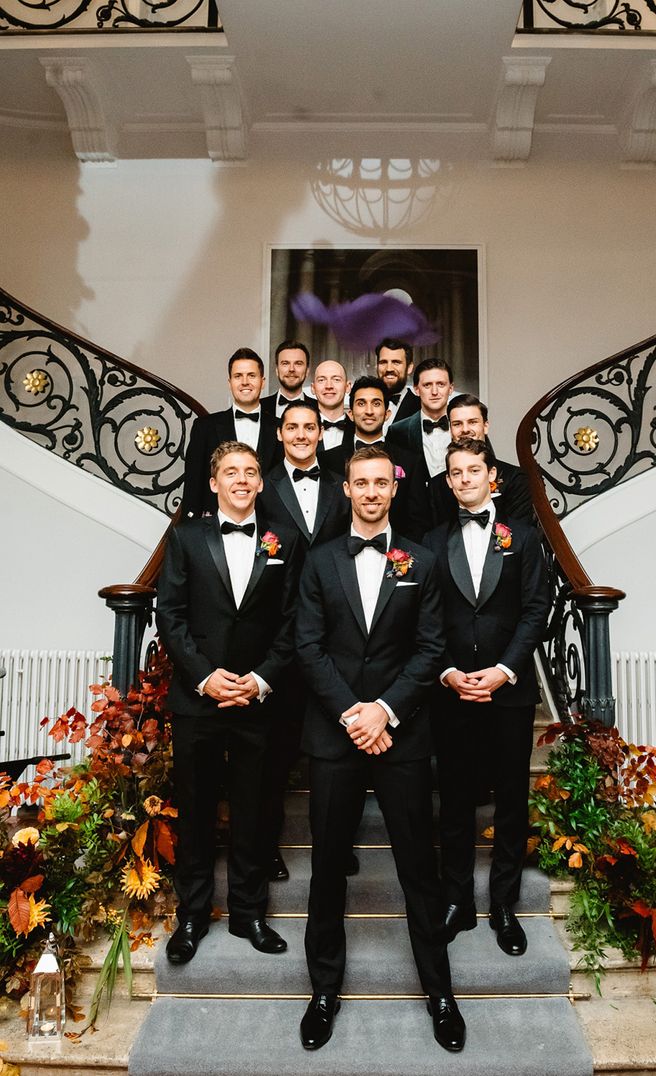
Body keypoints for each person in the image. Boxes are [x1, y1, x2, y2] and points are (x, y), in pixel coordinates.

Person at [295, 445, 465, 1053]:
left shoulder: (420, 560)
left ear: (393, 490)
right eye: (359, 483)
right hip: (335, 736)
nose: (369, 492)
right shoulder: (316, 563)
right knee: (326, 871)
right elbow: (308, 647)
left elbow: (429, 648)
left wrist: (384, 710)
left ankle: (440, 992)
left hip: (402, 734)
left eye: (379, 484)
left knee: (420, 869)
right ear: (346, 489)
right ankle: (323, 991)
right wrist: (353, 714)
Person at [157, 441, 299, 965]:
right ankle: (192, 916)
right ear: (214, 483)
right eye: (230, 472)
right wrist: (204, 677)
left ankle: (248, 913)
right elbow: (169, 616)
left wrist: (260, 680)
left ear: (261, 484)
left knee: (255, 812)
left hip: (257, 703)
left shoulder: (284, 540)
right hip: (199, 702)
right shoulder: (186, 537)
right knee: (195, 812)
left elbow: (292, 624)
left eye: (251, 472)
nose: (241, 480)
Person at [422, 438, 548, 959]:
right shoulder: (429, 542)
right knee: (452, 801)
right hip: (452, 693)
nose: (466, 478)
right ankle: (456, 899)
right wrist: (449, 672)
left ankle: (503, 904)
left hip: (508, 692)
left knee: (512, 800)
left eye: (475, 470)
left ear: (492, 475)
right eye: (457, 472)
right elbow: (426, 619)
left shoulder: (523, 535)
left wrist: (502, 671)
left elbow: (536, 609)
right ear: (448, 481)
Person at [256, 399, 350, 880]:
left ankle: (339, 845)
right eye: (292, 427)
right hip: (281, 636)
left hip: (338, 640)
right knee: (276, 754)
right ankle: (268, 846)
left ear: (321, 433)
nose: (300, 434)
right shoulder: (260, 485)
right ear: (280, 433)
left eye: (309, 427)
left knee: (337, 750)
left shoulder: (342, 486)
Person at [322, 376, 431, 541]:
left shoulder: (410, 461)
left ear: (387, 414)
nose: (369, 411)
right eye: (361, 403)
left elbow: (418, 522)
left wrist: (400, 560)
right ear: (350, 414)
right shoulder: (328, 460)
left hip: (395, 557)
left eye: (376, 403)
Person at [182, 348, 282, 519]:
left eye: (251, 375)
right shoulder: (204, 427)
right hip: (214, 526)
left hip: (270, 526)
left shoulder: (280, 428)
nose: (245, 382)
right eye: (238, 376)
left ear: (262, 381)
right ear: (229, 382)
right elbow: (193, 484)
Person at [428, 394, 534, 527]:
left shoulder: (515, 478)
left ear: (485, 426)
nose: (465, 429)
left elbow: (521, 536)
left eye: (472, 422)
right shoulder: (436, 485)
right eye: (457, 424)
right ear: (450, 430)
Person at [386, 358, 453, 479]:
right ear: (417, 390)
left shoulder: (466, 426)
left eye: (440, 384)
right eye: (427, 385)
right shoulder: (397, 431)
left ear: (451, 388)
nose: (434, 391)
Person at [375, 338, 420, 428]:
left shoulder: (421, 407)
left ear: (409, 368)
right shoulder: (363, 404)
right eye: (383, 362)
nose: (389, 369)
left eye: (396, 362)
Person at [261, 340, 310, 419]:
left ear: (307, 371)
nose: (291, 369)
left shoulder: (319, 408)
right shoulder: (260, 406)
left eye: (298, 363)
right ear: (277, 370)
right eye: (285, 363)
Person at [311, 359, 352, 451]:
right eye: (321, 380)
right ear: (313, 388)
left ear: (347, 386)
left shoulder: (359, 430)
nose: (329, 386)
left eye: (336, 380)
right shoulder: (301, 432)